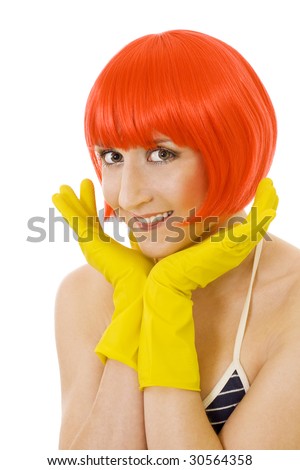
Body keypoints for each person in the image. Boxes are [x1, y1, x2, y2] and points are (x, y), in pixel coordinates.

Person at [52, 30, 300, 450]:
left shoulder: (292, 299)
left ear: (230, 150)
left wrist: (167, 296)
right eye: (112, 156)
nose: (128, 196)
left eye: (161, 154)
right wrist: (139, 300)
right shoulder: (84, 294)